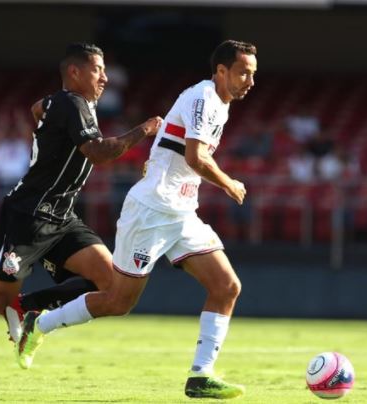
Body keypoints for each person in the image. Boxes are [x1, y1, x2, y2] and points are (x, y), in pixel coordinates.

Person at [0, 42, 162, 395]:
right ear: (74, 72)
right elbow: (99, 154)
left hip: (62, 216)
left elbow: (37, 107)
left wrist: (48, 129)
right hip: (28, 216)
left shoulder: (65, 102)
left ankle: (26, 307)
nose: (105, 77)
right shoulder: (72, 102)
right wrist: (144, 130)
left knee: (110, 283)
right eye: (98, 69)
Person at [16, 39, 257, 400]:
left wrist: (157, 161)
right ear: (221, 71)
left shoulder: (217, 104)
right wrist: (229, 184)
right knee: (117, 301)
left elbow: (173, 141)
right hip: (151, 210)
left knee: (227, 287)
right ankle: (40, 322)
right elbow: (195, 157)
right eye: (242, 72)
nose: (249, 81)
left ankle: (201, 376)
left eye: (253, 74)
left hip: (180, 212)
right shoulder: (204, 97)